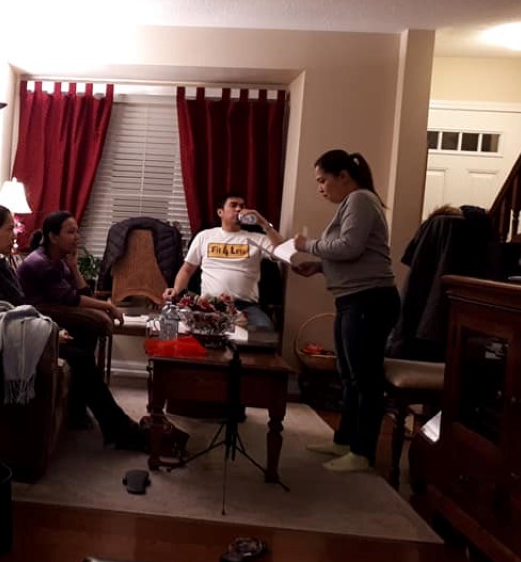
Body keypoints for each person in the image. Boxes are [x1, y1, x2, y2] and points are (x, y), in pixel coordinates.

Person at [292, 149, 399, 474]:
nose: (320, 188)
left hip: (370, 301)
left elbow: (349, 247)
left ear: (343, 176)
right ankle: (344, 441)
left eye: (323, 180)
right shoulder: (353, 202)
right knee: (348, 375)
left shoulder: (360, 199)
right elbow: (354, 255)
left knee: (365, 379)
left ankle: (362, 452)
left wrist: (307, 245)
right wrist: (319, 266)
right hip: (353, 300)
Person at [13, 210, 144, 449]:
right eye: (70, 232)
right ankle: (117, 427)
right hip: (35, 329)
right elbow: (71, 299)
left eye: (77, 231)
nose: (77, 237)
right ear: (53, 237)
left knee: (86, 334)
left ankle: (83, 412)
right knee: (83, 356)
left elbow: (83, 294)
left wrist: (74, 268)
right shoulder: (41, 263)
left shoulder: (58, 260)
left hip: (53, 322)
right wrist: (108, 306)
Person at [163, 192, 283, 331]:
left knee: (265, 331)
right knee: (178, 326)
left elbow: (283, 251)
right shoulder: (205, 236)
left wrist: (263, 223)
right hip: (210, 305)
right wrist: (176, 290)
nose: (239, 209)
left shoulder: (257, 238)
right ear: (220, 212)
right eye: (233, 205)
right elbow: (187, 269)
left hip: (246, 307)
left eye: (242, 206)